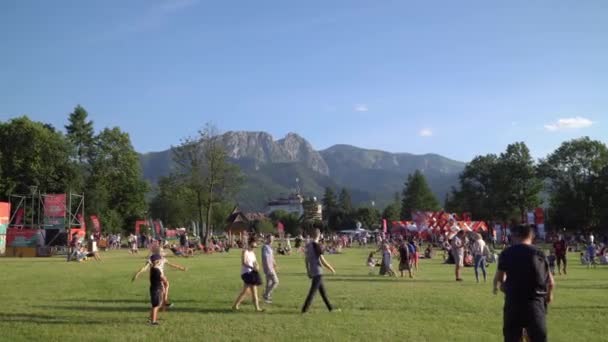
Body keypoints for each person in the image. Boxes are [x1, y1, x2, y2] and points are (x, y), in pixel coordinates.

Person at [493, 225, 554, 342]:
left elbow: (500, 279)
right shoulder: (539, 254)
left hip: (513, 302)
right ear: (532, 236)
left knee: (512, 337)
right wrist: (548, 296)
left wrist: (505, 288)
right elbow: (550, 282)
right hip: (535, 303)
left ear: (516, 236)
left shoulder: (507, 253)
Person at [301, 229, 338, 313]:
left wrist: (308, 271)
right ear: (318, 235)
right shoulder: (316, 245)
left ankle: (330, 309)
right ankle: (304, 310)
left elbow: (306, 260)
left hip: (313, 271)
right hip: (318, 271)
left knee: (323, 293)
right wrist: (331, 268)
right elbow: (322, 260)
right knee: (312, 292)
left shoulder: (308, 245)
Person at [232, 237, 263, 312]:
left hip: (252, 273)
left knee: (246, 291)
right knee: (252, 290)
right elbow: (244, 262)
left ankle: (235, 305)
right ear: (251, 243)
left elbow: (255, 262)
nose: (255, 247)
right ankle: (257, 308)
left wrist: (257, 266)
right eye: (254, 245)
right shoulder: (245, 251)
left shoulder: (252, 253)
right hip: (246, 273)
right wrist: (252, 267)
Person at [148, 254, 167, 325]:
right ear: (157, 261)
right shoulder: (157, 270)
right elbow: (164, 279)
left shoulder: (152, 269)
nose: (160, 261)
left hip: (153, 287)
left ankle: (151, 318)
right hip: (157, 289)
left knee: (155, 304)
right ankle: (153, 321)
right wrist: (164, 279)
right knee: (156, 305)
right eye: (159, 260)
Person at [262, 234, 279, 304]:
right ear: (267, 239)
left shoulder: (269, 247)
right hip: (269, 268)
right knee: (276, 282)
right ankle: (266, 295)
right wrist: (269, 268)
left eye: (272, 239)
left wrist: (275, 264)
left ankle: (267, 298)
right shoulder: (265, 247)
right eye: (270, 239)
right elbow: (265, 258)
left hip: (271, 267)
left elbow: (271, 257)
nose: (271, 240)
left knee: (269, 283)